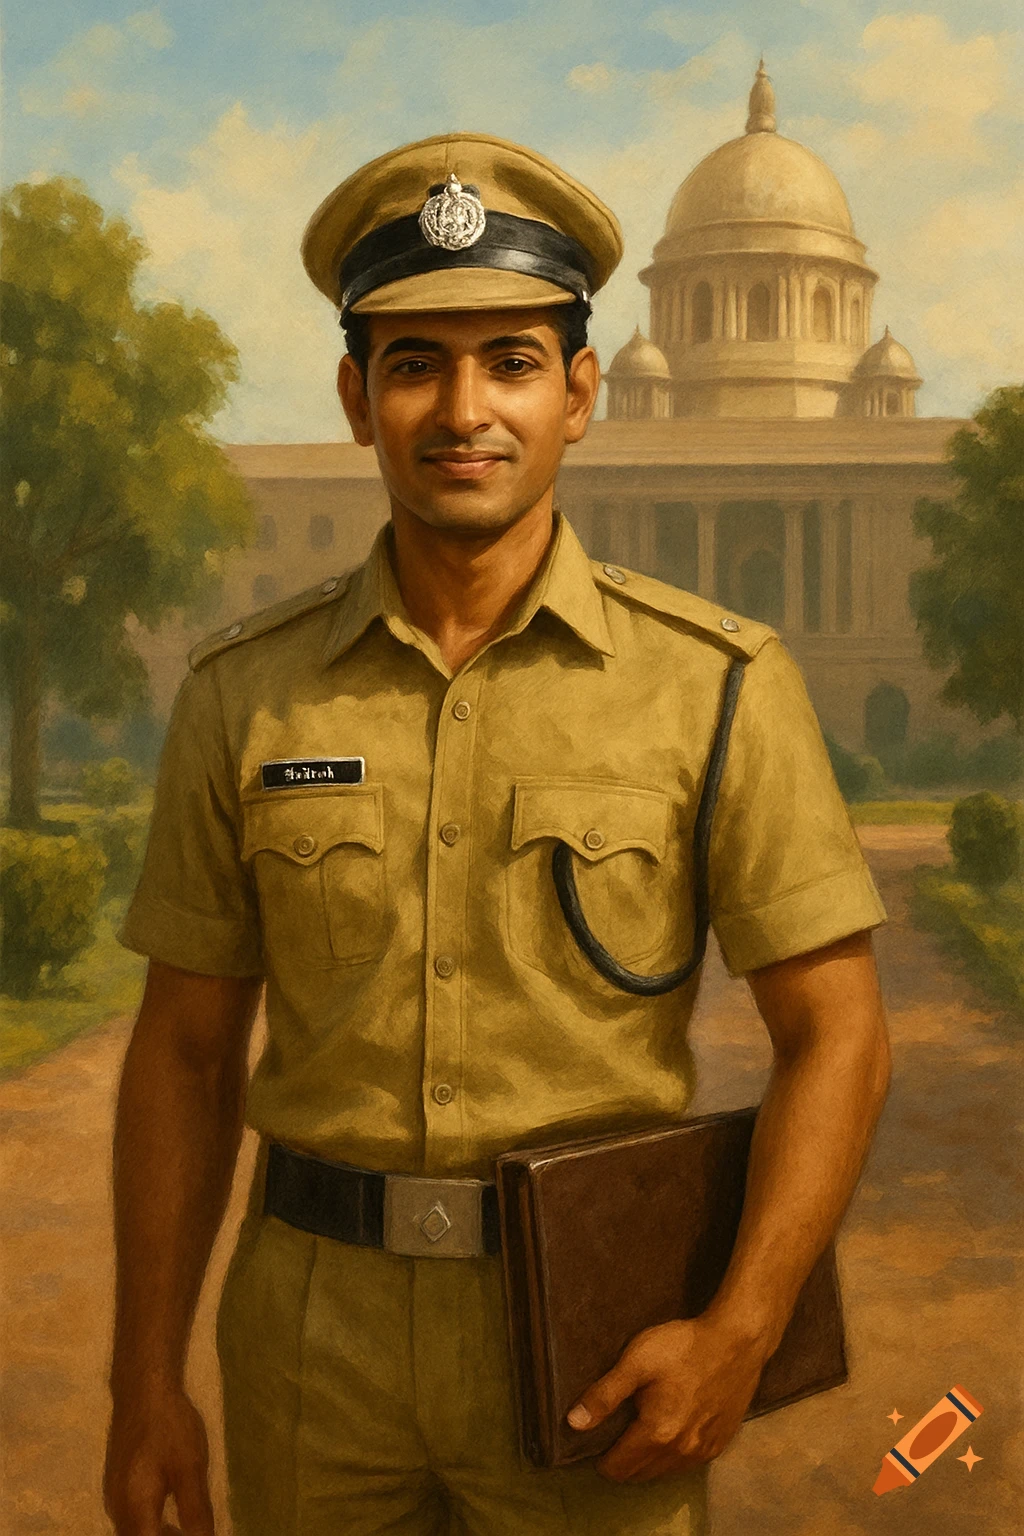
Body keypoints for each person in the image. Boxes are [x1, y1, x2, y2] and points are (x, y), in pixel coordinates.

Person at [103, 132, 891, 1536]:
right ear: (357, 398)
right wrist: (143, 1378)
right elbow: (182, 1050)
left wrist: (745, 1324)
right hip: (310, 1336)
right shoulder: (248, 694)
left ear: (586, 391)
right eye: (416, 363)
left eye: (513, 362)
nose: (464, 411)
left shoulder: (714, 683)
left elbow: (840, 1032)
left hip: (592, 1328)